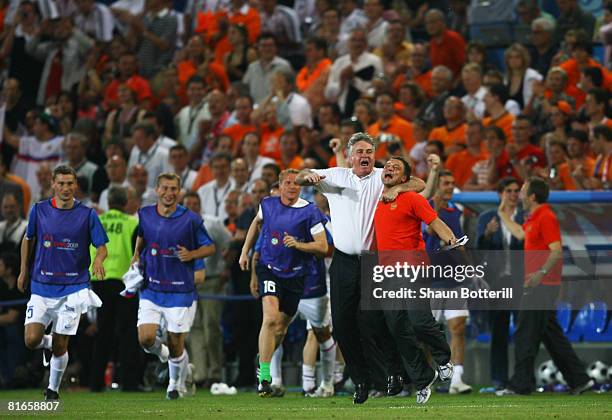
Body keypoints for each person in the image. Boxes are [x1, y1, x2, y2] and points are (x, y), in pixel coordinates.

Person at [296, 133, 426, 404]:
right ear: (350, 155)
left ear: (374, 155)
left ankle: (394, 372)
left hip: (372, 261)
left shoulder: (383, 177)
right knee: (342, 326)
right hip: (343, 261)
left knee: (374, 321)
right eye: (359, 151)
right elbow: (300, 175)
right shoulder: (336, 176)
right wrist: (307, 177)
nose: (365, 155)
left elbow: (419, 183)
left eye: (369, 151)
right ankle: (361, 380)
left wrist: (396, 189)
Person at [496, 177, 594, 396]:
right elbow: (521, 234)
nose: (519, 194)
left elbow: (556, 250)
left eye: (522, 190)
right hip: (540, 284)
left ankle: (520, 385)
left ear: (532, 196)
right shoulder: (533, 218)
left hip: (540, 285)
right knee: (552, 336)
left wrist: (540, 274)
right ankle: (580, 380)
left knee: (525, 334)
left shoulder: (546, 216)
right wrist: (502, 213)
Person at [18, 165, 109, 400]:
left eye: (70, 183)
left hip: (73, 288)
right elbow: (29, 239)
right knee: (31, 340)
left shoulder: (88, 214)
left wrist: (98, 260)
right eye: (61, 183)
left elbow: (101, 246)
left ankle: (52, 390)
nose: (66, 188)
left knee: (61, 345)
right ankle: (49, 341)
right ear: (53, 184)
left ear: (76, 185)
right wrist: (23, 271)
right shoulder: (39, 210)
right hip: (41, 284)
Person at [372, 156, 457, 404]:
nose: (388, 168)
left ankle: (443, 358)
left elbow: (434, 221)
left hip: (413, 268)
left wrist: (450, 238)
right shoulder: (373, 198)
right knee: (396, 327)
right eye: (387, 166)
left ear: (404, 179)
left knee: (419, 321)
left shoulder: (412, 198)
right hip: (386, 273)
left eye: (395, 168)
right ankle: (422, 378)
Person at [239, 168, 328, 396]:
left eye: (296, 183)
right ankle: (265, 375)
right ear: (279, 186)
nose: (292, 187)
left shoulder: (309, 212)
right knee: (269, 319)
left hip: (296, 276)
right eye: (287, 183)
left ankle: (264, 357)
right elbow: (254, 224)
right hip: (269, 269)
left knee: (280, 327)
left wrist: (298, 245)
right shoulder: (267, 205)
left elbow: (322, 247)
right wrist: (245, 251)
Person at [133, 173, 216, 400]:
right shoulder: (146, 214)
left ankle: (175, 385)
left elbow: (210, 248)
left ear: (179, 191)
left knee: (176, 341)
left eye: (174, 189)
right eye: (165, 188)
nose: (169, 193)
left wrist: (192, 254)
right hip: (151, 288)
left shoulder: (191, 219)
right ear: (157, 190)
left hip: (180, 290)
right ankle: (167, 358)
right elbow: (142, 236)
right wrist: (135, 256)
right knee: (146, 339)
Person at [422, 170, 472, 395]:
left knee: (458, 328)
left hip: (454, 280)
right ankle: (425, 379)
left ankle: (457, 380)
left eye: (453, 182)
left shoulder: (455, 212)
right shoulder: (422, 208)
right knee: (426, 335)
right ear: (437, 186)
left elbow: (459, 244)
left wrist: (470, 270)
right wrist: (436, 210)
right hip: (429, 281)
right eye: (446, 183)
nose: (450, 186)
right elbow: (429, 230)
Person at [89, 186, 141, 392]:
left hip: (100, 280)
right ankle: (130, 383)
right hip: (123, 281)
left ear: (108, 202)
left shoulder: (97, 222)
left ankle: (95, 383)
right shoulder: (132, 222)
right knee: (127, 332)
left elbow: (89, 249)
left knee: (103, 332)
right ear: (125, 202)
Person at [476, 177, 524, 390]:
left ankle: (523, 379)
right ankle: (499, 380)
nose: (513, 195)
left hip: (520, 280)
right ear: (500, 194)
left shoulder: (524, 217)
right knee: (499, 332)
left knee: (524, 333)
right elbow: (479, 250)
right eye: (509, 191)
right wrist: (486, 234)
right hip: (497, 282)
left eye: (516, 191)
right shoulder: (487, 217)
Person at [183, 192, 232, 388]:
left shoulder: (212, 223)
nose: (193, 206)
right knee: (193, 328)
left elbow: (230, 245)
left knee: (210, 326)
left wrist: (226, 269)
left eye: (195, 203)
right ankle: (200, 374)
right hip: (188, 282)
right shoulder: (179, 225)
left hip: (212, 280)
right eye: (189, 204)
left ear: (200, 204)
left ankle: (215, 372)